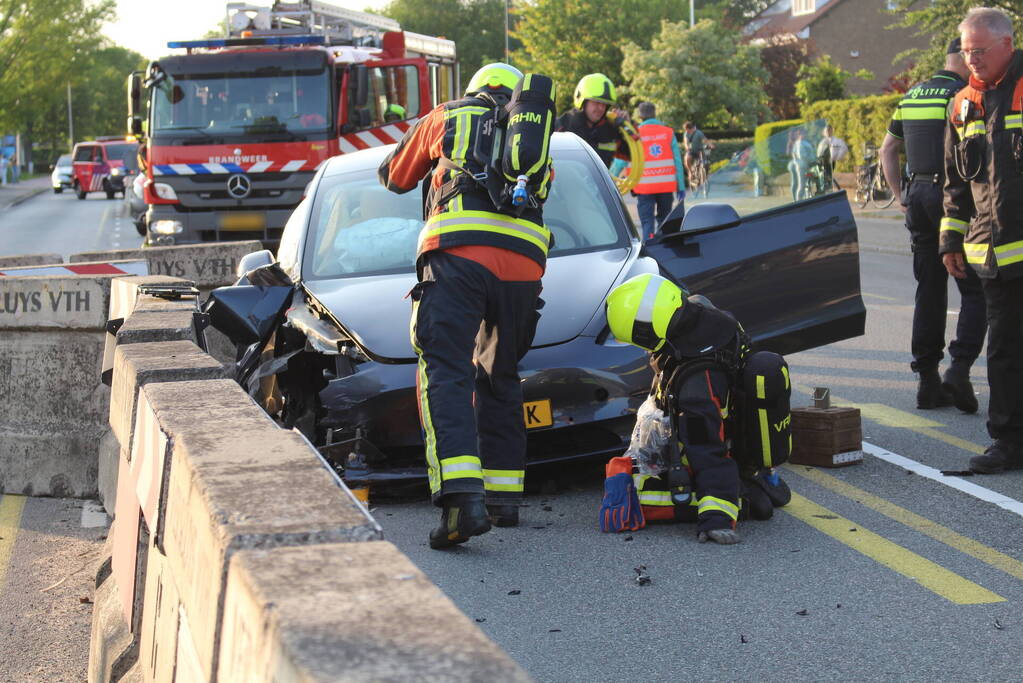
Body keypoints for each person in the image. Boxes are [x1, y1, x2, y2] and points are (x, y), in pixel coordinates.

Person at [378, 63, 553, 546]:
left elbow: (394, 176)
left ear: (475, 90)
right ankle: (503, 499)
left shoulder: (448, 116)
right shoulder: (534, 143)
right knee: (500, 375)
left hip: (458, 254)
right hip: (523, 265)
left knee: (446, 370)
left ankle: (460, 502)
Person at [880, 37, 985, 413]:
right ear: (964, 59)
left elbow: (887, 149)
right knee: (974, 289)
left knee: (929, 289)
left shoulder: (911, 95)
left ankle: (927, 382)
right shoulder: (963, 95)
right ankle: (959, 369)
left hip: (918, 196)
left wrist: (901, 194)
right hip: (953, 199)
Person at [605, 274, 748, 544]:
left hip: (708, 454)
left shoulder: (696, 389)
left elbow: (707, 449)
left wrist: (716, 519)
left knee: (637, 491)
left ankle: (730, 503)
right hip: (723, 433)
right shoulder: (698, 316)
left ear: (649, 330)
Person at [942, 7, 1023, 474]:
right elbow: (955, 183)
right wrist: (950, 241)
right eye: (966, 51)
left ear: (1007, 45)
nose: (971, 59)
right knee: (1005, 350)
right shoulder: (961, 104)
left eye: (979, 50)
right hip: (993, 254)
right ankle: (1008, 442)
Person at [628, 102, 685, 237]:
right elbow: (677, 161)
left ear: (640, 116)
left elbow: (621, 161)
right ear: (655, 114)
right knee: (664, 222)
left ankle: (649, 244)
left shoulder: (634, 134)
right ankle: (663, 246)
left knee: (647, 222)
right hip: (665, 186)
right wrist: (681, 186)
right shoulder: (668, 132)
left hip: (644, 187)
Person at [555, 73, 628, 168]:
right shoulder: (563, 126)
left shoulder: (610, 129)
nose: (601, 108)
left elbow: (631, 155)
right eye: (597, 102)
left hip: (598, 178)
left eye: (604, 104)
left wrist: (626, 128)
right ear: (582, 101)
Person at [682, 121, 713, 188]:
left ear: (690, 128)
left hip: (699, 150)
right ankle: (691, 172)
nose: (686, 131)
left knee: (705, 162)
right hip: (691, 150)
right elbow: (686, 142)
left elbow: (704, 140)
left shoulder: (698, 133)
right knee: (687, 159)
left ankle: (703, 174)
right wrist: (687, 147)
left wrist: (710, 145)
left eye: (687, 129)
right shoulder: (686, 134)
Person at [816, 124, 848, 189]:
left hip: (831, 162)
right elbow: (819, 153)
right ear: (824, 132)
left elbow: (844, 148)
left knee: (828, 176)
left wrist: (838, 157)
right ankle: (827, 187)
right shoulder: (822, 142)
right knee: (825, 176)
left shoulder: (837, 141)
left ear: (832, 131)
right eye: (826, 131)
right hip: (823, 162)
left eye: (829, 130)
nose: (828, 132)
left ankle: (831, 187)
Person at [787, 127, 814, 201]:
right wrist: (811, 159)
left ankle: (803, 199)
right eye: (801, 133)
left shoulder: (805, 143)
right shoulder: (799, 143)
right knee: (801, 184)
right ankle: (798, 201)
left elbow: (811, 153)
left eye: (804, 133)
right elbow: (801, 156)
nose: (803, 135)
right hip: (801, 166)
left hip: (806, 165)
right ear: (799, 135)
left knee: (806, 184)